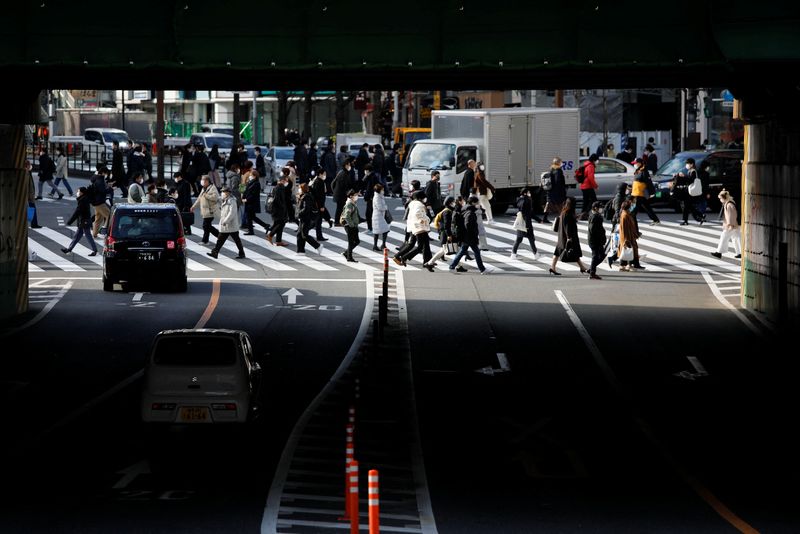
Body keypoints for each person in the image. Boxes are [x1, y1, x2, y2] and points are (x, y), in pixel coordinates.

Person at [448, 196, 488, 274]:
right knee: (476, 252)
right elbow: (468, 224)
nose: (478, 204)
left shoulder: (466, 209)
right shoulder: (470, 212)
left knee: (462, 251)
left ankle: (452, 266)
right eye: (477, 203)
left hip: (466, 236)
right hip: (470, 236)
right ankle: (482, 269)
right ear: (473, 203)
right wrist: (473, 233)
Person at [550, 197, 588, 275]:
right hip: (567, 237)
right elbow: (567, 226)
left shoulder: (564, 212)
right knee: (573, 251)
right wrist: (569, 237)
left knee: (557, 252)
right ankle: (582, 267)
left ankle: (552, 267)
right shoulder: (568, 213)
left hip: (561, 236)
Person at [394, 190, 432, 269]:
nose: (425, 199)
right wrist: (427, 219)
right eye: (424, 197)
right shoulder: (419, 205)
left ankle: (428, 261)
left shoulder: (413, 204)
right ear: (421, 197)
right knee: (421, 246)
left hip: (414, 226)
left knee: (417, 244)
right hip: (419, 227)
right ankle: (404, 257)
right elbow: (418, 214)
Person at [207, 186, 246, 259]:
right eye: (222, 192)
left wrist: (226, 221)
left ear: (228, 193)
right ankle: (215, 252)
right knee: (220, 239)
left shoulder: (232, 201)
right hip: (226, 225)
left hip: (230, 224)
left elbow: (232, 213)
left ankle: (241, 253)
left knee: (236, 240)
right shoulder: (224, 200)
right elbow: (217, 200)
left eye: (223, 192)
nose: (222, 193)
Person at [60, 187, 97, 257]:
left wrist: (70, 221)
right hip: (83, 221)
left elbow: (77, 212)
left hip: (84, 221)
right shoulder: (84, 199)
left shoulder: (83, 200)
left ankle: (95, 250)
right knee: (76, 236)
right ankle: (69, 249)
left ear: (82, 193)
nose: (77, 193)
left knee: (88, 236)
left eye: (78, 191)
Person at [424, 196, 456, 270]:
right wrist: (449, 235)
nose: (454, 203)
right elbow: (446, 225)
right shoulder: (447, 212)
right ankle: (429, 263)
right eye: (453, 202)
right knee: (445, 250)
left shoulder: (448, 210)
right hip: (445, 234)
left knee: (451, 250)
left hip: (445, 233)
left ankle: (458, 265)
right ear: (450, 203)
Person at [510, 188, 541, 261]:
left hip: (521, 222)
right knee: (531, 238)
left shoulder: (519, 200)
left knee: (518, 239)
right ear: (525, 193)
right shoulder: (527, 201)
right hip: (526, 223)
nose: (529, 193)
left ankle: (513, 254)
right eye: (528, 192)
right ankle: (536, 254)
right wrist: (538, 220)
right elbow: (530, 213)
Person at [674, 157, 706, 225]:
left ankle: (687, 220)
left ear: (692, 164)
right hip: (689, 191)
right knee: (689, 206)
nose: (686, 165)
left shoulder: (693, 171)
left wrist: (683, 176)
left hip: (691, 192)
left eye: (688, 164)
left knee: (687, 206)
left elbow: (691, 180)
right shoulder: (690, 171)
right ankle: (700, 216)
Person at [711, 190, 741, 259]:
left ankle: (719, 252)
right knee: (736, 238)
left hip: (731, 225)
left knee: (724, 236)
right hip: (734, 224)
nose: (720, 200)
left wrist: (730, 224)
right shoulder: (729, 203)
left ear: (724, 198)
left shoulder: (729, 204)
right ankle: (740, 253)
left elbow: (731, 215)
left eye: (720, 198)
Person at [191, 175, 220, 245]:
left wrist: (206, 195)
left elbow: (215, 197)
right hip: (205, 211)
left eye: (203, 180)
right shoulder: (204, 188)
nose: (202, 181)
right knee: (207, 226)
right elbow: (199, 198)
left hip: (210, 210)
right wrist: (193, 206)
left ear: (207, 181)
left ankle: (206, 240)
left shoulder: (212, 188)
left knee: (206, 225)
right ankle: (218, 236)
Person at [295, 183, 323, 254]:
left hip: (306, 218)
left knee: (304, 234)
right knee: (299, 234)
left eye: (299, 188)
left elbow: (306, 208)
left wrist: (299, 214)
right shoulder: (303, 196)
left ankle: (318, 246)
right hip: (304, 218)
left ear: (302, 189)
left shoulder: (306, 197)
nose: (298, 190)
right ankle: (300, 251)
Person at [631, 157, 660, 225]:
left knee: (634, 208)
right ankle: (655, 220)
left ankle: (631, 220)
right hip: (636, 192)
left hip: (639, 193)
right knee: (647, 207)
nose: (634, 164)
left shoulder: (644, 172)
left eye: (635, 163)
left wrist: (652, 192)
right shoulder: (638, 170)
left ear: (640, 163)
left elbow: (649, 183)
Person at [617, 199, 644, 271]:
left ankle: (624, 265)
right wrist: (626, 239)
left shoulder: (626, 213)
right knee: (629, 250)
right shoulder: (625, 215)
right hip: (628, 236)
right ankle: (628, 265)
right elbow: (625, 228)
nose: (632, 206)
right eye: (631, 206)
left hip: (629, 235)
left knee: (628, 250)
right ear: (628, 207)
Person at [266, 173, 290, 247]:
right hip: (278, 210)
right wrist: (283, 207)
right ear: (282, 181)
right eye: (286, 181)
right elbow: (277, 200)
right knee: (281, 223)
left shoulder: (280, 187)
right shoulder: (279, 188)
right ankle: (270, 235)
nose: (287, 182)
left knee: (279, 224)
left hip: (278, 209)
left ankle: (278, 241)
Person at [242, 170, 269, 235]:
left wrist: (247, 199)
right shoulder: (250, 182)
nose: (250, 176)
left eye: (251, 175)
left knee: (250, 217)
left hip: (252, 203)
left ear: (254, 176)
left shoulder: (256, 183)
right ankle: (265, 226)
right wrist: (243, 197)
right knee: (252, 217)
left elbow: (254, 194)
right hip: (249, 202)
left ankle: (251, 230)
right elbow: (246, 191)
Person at [310, 168, 332, 240]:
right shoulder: (320, 182)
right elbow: (320, 195)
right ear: (320, 174)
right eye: (324, 174)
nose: (325, 175)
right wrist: (321, 206)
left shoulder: (317, 181)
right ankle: (319, 236)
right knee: (318, 221)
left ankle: (318, 235)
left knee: (317, 220)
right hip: (319, 204)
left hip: (317, 204)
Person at [543, 157, 566, 224]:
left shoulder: (551, 169)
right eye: (561, 162)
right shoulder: (558, 170)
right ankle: (563, 218)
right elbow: (558, 181)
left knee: (548, 204)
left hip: (550, 190)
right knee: (560, 205)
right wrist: (561, 190)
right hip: (557, 191)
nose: (562, 163)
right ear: (558, 163)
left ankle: (544, 218)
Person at [587, 201, 607, 280]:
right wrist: (600, 236)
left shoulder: (594, 215)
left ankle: (591, 269)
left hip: (595, 240)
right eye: (600, 207)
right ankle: (592, 273)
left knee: (600, 256)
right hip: (595, 241)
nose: (601, 209)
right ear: (595, 208)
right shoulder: (595, 217)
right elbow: (593, 229)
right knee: (596, 256)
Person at [340, 189, 361, 262]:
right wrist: (352, 225)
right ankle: (349, 257)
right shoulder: (349, 204)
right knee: (351, 242)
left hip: (353, 226)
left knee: (357, 241)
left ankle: (346, 253)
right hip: (349, 226)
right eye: (355, 195)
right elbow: (347, 216)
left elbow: (355, 215)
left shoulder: (353, 203)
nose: (357, 196)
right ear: (351, 196)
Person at [332, 159, 353, 224]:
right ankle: (337, 222)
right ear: (345, 165)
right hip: (341, 194)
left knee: (341, 208)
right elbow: (344, 185)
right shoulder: (344, 174)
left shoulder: (341, 172)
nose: (350, 166)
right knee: (340, 208)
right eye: (348, 165)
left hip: (339, 194)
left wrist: (334, 191)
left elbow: (333, 183)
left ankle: (340, 221)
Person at [579, 154, 599, 220]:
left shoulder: (586, 164)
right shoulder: (591, 166)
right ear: (594, 160)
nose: (598, 161)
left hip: (584, 186)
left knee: (586, 201)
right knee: (594, 200)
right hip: (588, 186)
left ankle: (583, 214)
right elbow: (590, 178)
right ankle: (594, 214)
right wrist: (595, 186)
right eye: (597, 160)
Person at [371, 183, 390, 251]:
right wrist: (385, 207)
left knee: (379, 231)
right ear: (379, 190)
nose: (383, 190)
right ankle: (380, 245)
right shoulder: (377, 197)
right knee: (384, 230)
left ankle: (378, 245)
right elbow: (380, 207)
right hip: (378, 216)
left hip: (380, 216)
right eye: (382, 189)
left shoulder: (380, 196)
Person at [25, 160, 41, 229]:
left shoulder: (28, 172)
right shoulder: (26, 173)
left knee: (31, 209)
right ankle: (34, 224)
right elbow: (27, 185)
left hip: (30, 195)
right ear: (27, 166)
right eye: (29, 165)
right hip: (29, 196)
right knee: (31, 209)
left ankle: (34, 223)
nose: (30, 166)